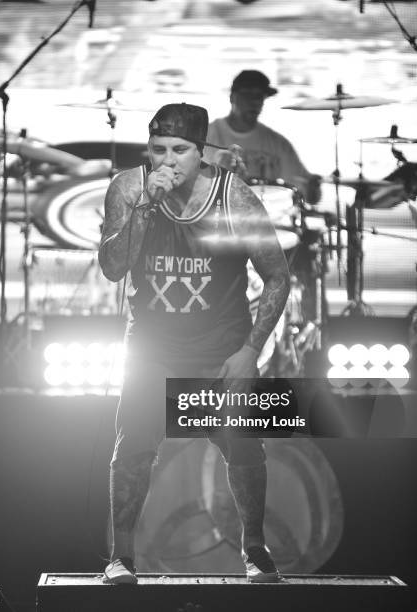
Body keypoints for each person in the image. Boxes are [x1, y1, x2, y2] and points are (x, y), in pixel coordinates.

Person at [98, 103, 290, 585]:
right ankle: (121, 557)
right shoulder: (129, 188)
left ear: (201, 152)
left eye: (180, 150)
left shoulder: (234, 198)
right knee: (133, 449)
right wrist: (144, 206)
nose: (168, 160)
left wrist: (250, 351)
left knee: (246, 449)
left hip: (219, 348)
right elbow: (113, 268)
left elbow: (278, 278)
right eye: (158, 149)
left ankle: (255, 549)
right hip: (152, 346)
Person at [204, 70, 321, 204]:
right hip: (217, 218)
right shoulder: (207, 136)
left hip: (267, 220)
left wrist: (313, 188)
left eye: (259, 96)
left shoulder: (278, 144)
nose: (254, 102)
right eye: (248, 95)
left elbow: (308, 195)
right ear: (232, 97)